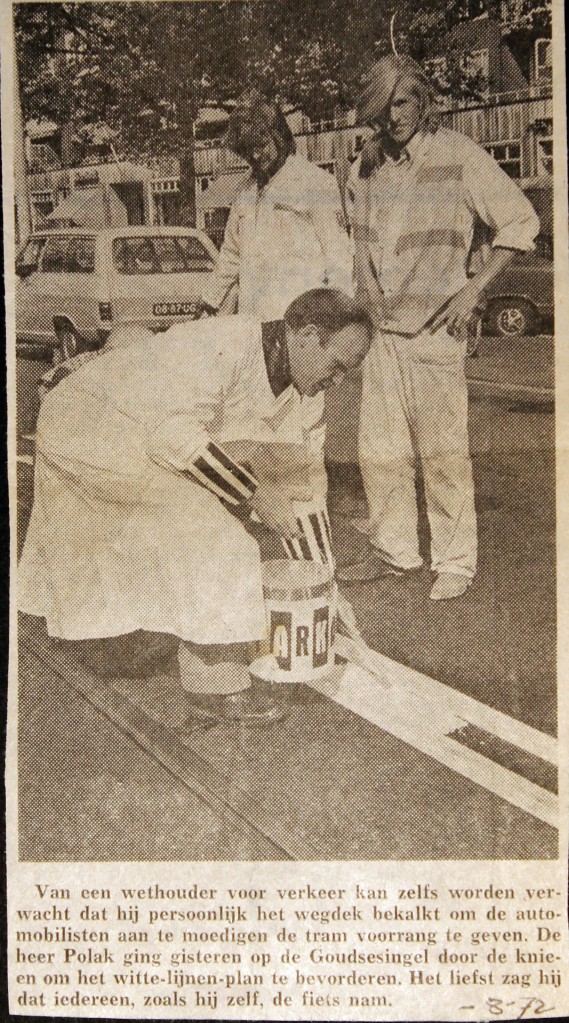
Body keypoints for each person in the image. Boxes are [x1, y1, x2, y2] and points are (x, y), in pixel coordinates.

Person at [19, 289, 371, 723]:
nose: (336, 383)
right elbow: (173, 438)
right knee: (218, 534)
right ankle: (216, 684)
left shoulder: (306, 388)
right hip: (90, 427)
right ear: (306, 335)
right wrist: (254, 492)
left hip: (138, 432)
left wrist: (326, 588)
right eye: (336, 367)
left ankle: (126, 636)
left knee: (207, 502)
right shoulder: (225, 345)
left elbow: (304, 489)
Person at [339, 54, 540, 600]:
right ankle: (395, 550)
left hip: (435, 331)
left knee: (442, 452)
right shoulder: (365, 163)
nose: (392, 117)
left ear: (422, 101)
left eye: (401, 103)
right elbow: (359, 237)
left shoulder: (459, 155)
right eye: (381, 108)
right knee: (379, 450)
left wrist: (474, 290)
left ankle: (455, 560)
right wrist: (367, 288)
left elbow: (521, 221)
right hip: (383, 331)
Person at [201, 90, 353, 321]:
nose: (255, 154)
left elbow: (339, 259)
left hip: (300, 325)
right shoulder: (244, 191)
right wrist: (209, 300)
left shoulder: (315, 183)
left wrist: (335, 321)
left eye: (261, 145)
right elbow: (231, 255)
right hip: (253, 323)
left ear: (278, 135)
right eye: (247, 150)